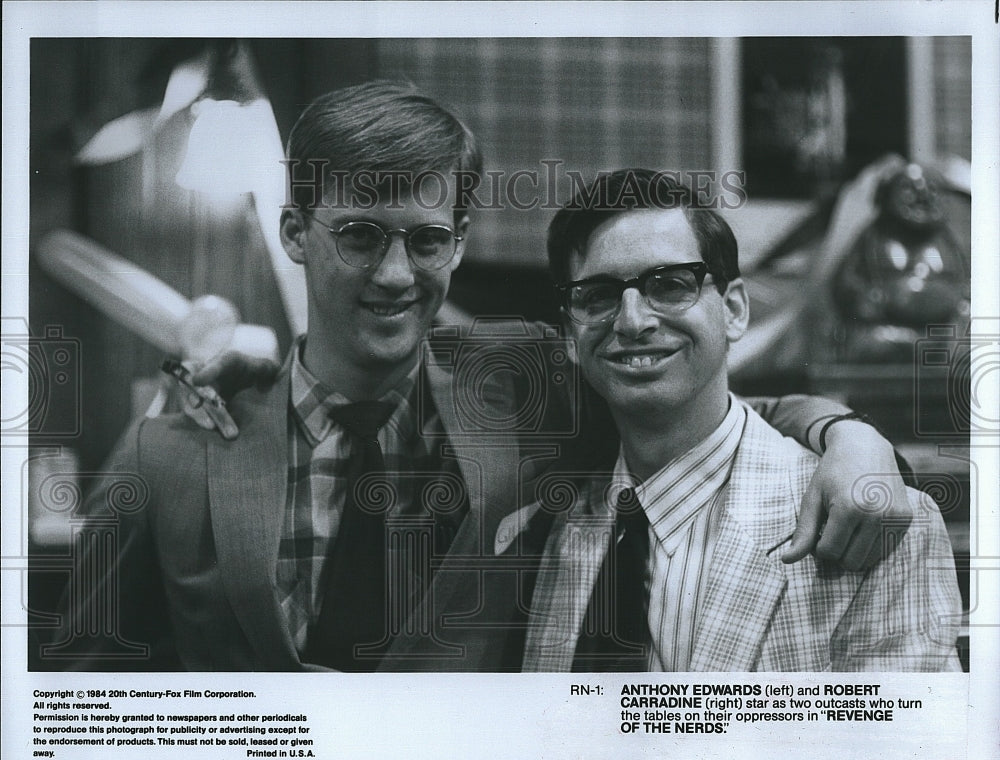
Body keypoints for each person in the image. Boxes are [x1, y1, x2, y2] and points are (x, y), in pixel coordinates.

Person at [51, 82, 913, 672]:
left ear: (458, 243)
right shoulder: (173, 447)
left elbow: (706, 401)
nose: (395, 275)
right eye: (359, 235)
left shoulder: (523, 387)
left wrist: (851, 438)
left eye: (425, 239)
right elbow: (79, 698)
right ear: (292, 231)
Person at [503, 168, 961, 672]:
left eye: (671, 284)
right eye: (598, 296)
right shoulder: (542, 527)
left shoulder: (879, 519)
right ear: (570, 335)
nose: (632, 321)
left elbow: (906, 746)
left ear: (735, 310)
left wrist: (849, 433)